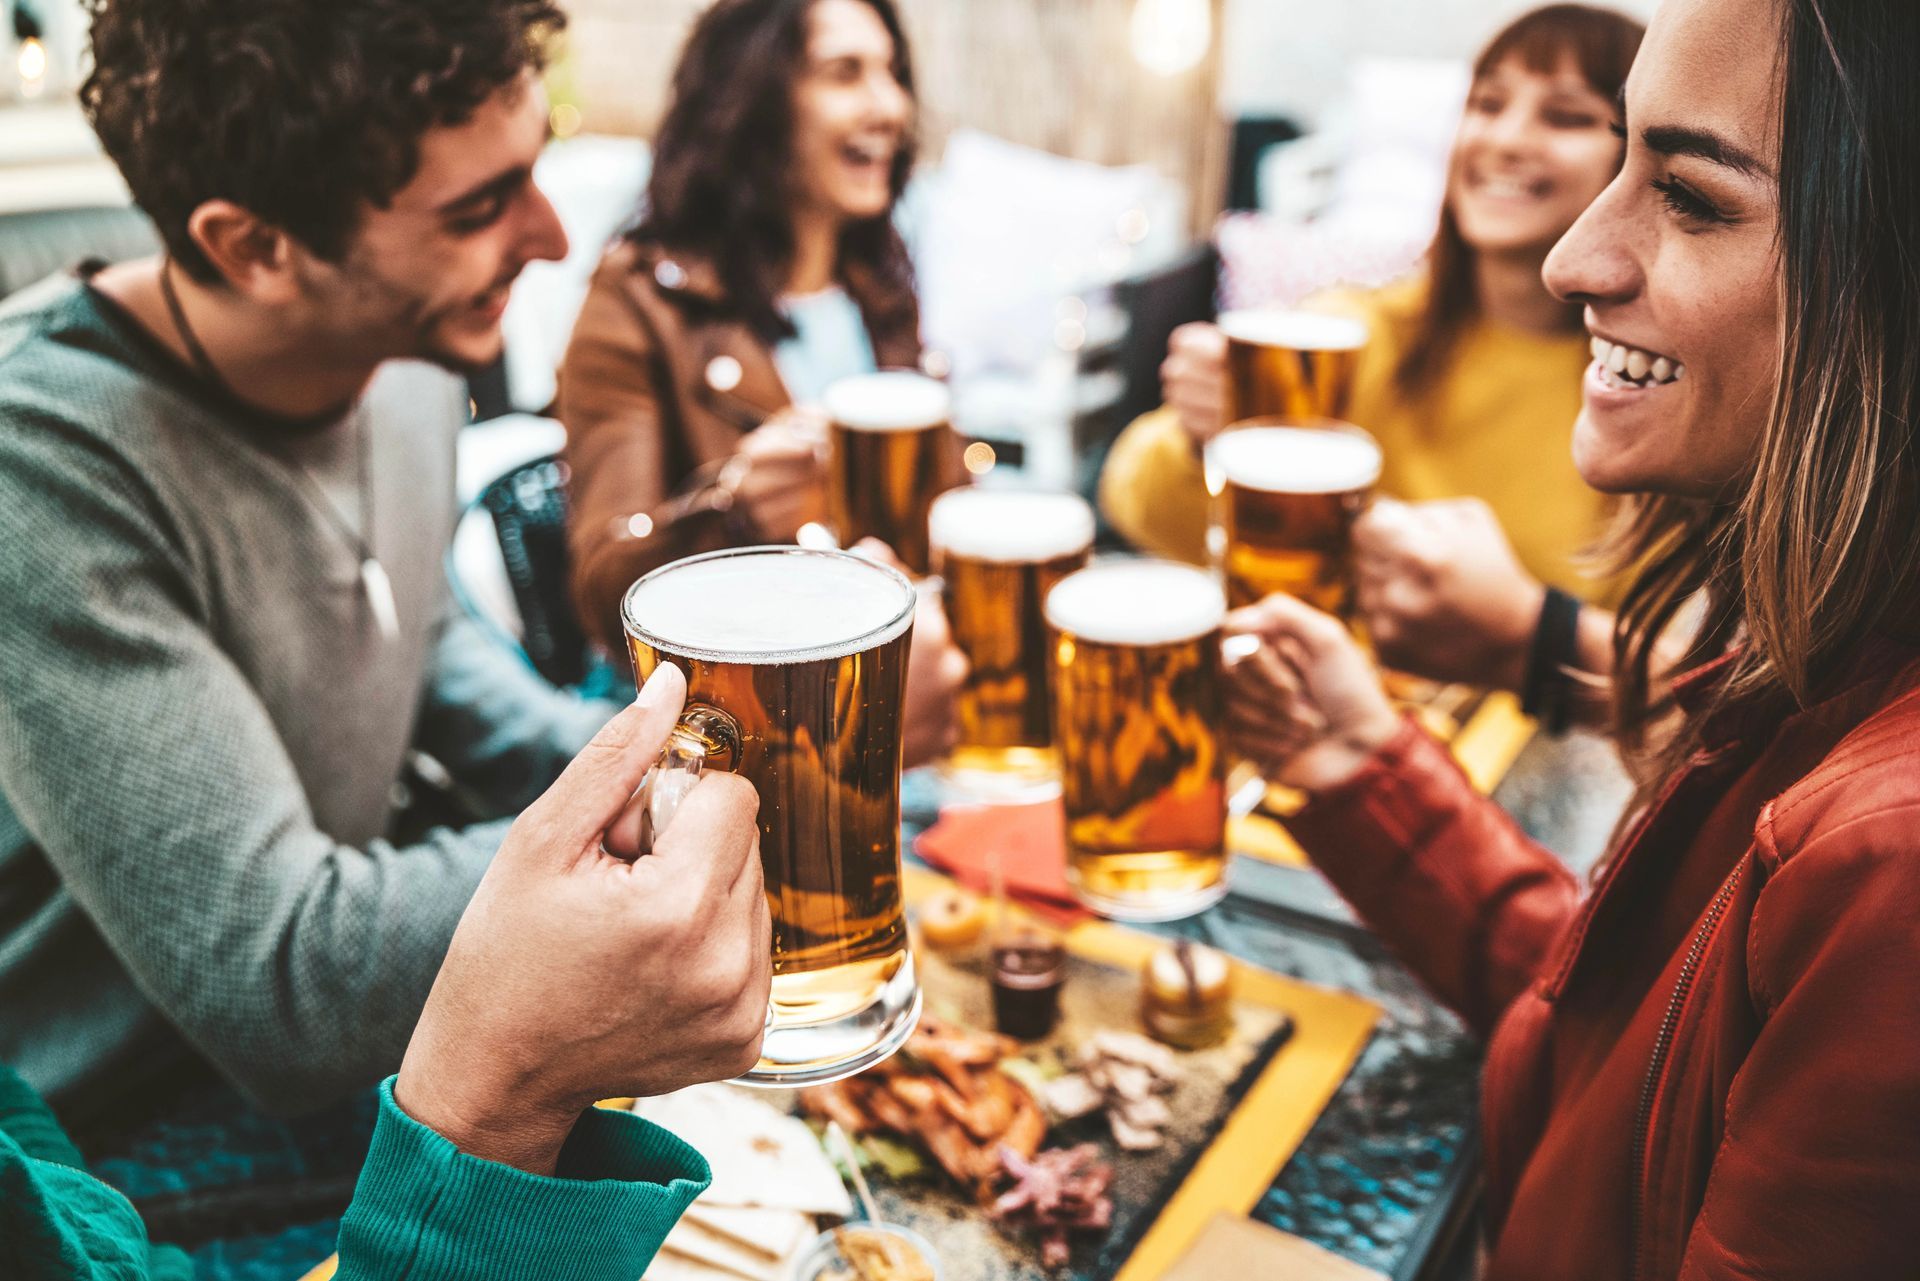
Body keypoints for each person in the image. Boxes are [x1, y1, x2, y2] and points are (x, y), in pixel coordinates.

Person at [1228, 0, 1920, 1273]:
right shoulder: (1819, 650)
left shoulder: (1891, 864)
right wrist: (1363, 768)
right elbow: (1622, 1051)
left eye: (1694, 198)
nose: (1576, 259)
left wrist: (1532, 639)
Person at [0, 0, 754, 1123]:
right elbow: (287, 983)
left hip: (370, 1054)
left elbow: (420, 640)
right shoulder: (41, 468)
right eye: (480, 207)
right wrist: (665, 818)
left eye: (532, 170)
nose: (551, 237)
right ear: (251, 247)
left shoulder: (402, 353)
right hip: (119, 1142)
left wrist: (687, 765)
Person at [3, 666, 774, 1279]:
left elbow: (436, 648)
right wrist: (491, 1112)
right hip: (147, 1107)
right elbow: (283, 987)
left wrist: (643, 791)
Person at [1099, 3, 1642, 691]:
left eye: (1564, 116)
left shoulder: (1642, 384)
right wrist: (1207, 438)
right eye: (1486, 104)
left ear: (1641, 158)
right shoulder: (1351, 334)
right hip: (1323, 717)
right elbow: (1135, 501)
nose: (1506, 139)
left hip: (1535, 751)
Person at [559, 0, 963, 768]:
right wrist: (732, 509)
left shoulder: (878, 284)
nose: (891, 106)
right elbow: (601, 591)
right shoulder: (637, 298)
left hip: (900, 710)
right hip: (740, 748)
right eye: (847, 74)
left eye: (893, 73)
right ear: (754, 101)